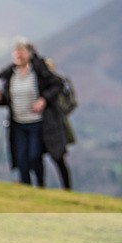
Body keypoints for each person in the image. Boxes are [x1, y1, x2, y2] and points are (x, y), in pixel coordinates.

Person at [0, 39, 65, 188]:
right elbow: (8, 99)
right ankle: (26, 187)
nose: (18, 55)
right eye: (16, 52)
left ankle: (40, 184)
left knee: (34, 155)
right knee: (21, 158)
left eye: (22, 52)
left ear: (29, 54)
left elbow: (58, 84)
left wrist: (43, 100)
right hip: (17, 124)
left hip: (37, 122)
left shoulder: (39, 71)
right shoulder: (11, 75)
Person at [44, 57, 77, 191]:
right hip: (41, 125)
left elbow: (69, 104)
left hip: (57, 126)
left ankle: (66, 188)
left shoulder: (59, 84)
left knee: (58, 157)